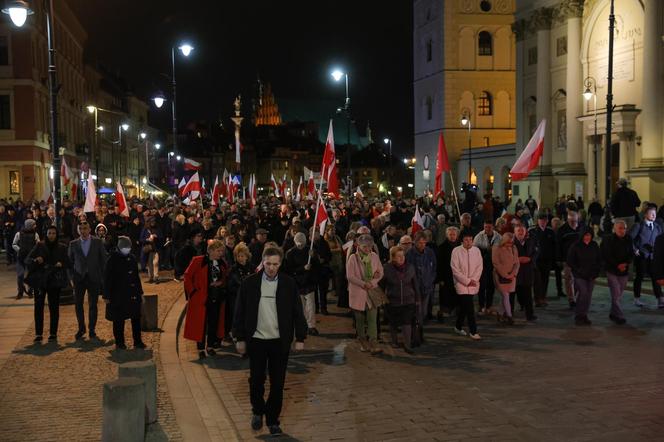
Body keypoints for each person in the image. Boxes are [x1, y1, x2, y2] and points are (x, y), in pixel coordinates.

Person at [232, 246, 307, 437]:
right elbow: (239, 312)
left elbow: (298, 312)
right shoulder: (249, 283)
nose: (272, 268)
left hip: (279, 341)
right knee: (256, 379)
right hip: (256, 340)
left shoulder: (288, 284)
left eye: (275, 264)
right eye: (268, 264)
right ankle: (257, 410)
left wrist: (300, 337)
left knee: (278, 382)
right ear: (262, 262)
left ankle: (273, 420)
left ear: (280, 264)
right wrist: (239, 338)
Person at [183, 239, 229, 358]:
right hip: (201, 298)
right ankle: (200, 348)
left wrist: (220, 283)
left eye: (221, 251)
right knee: (201, 324)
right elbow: (187, 276)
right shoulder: (198, 261)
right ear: (211, 250)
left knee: (213, 322)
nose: (221, 253)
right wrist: (192, 292)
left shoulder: (222, 263)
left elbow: (225, 278)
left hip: (216, 297)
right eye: (218, 251)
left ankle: (210, 346)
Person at [25, 226, 69, 342]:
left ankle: (53, 333)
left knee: (54, 307)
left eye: (54, 233)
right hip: (40, 280)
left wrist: (61, 264)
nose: (51, 235)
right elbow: (27, 259)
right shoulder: (39, 245)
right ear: (46, 234)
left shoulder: (62, 247)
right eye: (49, 233)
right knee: (38, 307)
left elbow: (68, 262)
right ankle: (38, 333)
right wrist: (36, 260)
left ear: (57, 234)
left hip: (54, 280)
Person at [103, 236, 146, 350]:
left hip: (132, 293)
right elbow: (107, 278)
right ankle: (120, 342)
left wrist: (140, 293)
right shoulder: (112, 259)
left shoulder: (132, 258)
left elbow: (136, 277)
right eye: (124, 247)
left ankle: (137, 341)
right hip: (118, 295)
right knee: (118, 319)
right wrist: (106, 295)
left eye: (128, 247)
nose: (127, 249)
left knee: (135, 317)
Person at [68, 221, 107, 340]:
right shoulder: (73, 244)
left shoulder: (97, 242)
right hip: (79, 278)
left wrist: (102, 277)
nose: (83, 231)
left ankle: (92, 329)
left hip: (93, 277)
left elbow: (103, 260)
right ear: (78, 230)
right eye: (81, 229)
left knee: (93, 305)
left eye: (85, 228)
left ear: (89, 229)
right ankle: (81, 328)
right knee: (78, 304)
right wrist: (70, 278)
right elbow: (69, 262)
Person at [346, 234, 384, 354]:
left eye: (369, 246)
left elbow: (380, 272)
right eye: (365, 246)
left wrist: (372, 282)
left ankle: (374, 343)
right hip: (358, 294)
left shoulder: (374, 256)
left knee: (373, 319)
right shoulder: (353, 258)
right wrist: (363, 284)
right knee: (360, 321)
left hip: (371, 292)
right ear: (358, 245)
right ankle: (363, 342)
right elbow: (350, 276)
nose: (367, 249)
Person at [381, 245, 419, 353]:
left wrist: (417, 299)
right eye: (398, 256)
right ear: (393, 257)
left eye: (403, 256)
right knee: (393, 323)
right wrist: (383, 299)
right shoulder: (386, 268)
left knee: (407, 322)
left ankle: (407, 345)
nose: (402, 258)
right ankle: (394, 341)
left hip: (408, 300)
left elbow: (415, 284)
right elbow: (382, 285)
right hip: (393, 301)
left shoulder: (410, 267)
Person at [629, 205, 664, 308]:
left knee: (655, 277)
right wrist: (635, 249)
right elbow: (629, 239)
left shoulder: (657, 227)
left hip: (654, 257)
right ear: (645, 214)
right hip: (642, 256)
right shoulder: (638, 225)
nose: (654, 215)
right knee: (639, 277)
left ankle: (660, 299)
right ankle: (637, 298)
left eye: (655, 213)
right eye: (651, 213)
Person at [284, 232, 319, 335]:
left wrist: (313, 257)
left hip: (309, 282)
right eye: (299, 243)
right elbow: (289, 270)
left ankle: (311, 325)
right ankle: (303, 325)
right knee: (301, 306)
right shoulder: (290, 253)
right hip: (297, 282)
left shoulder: (310, 251)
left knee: (311, 305)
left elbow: (317, 266)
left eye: (302, 243)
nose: (301, 245)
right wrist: (302, 268)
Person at [450, 230, 483, 340]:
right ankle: (473, 331)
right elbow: (455, 269)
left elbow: (479, 266)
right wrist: (467, 281)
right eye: (466, 240)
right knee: (470, 308)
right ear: (462, 240)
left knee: (465, 307)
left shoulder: (476, 250)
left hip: (473, 282)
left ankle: (458, 326)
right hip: (461, 284)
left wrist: (474, 280)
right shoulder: (456, 251)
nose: (468, 242)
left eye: (470, 240)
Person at [600, 220, 633, 324]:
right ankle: (619, 315)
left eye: (624, 228)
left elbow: (631, 253)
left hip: (624, 270)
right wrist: (617, 265)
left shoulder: (629, 238)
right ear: (614, 228)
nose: (623, 230)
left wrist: (626, 263)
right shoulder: (608, 239)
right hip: (612, 270)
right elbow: (606, 254)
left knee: (619, 294)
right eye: (620, 228)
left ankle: (613, 313)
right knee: (616, 293)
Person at [566, 228, 601, 325]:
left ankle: (584, 315)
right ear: (582, 236)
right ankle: (578, 315)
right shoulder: (576, 246)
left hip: (591, 275)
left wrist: (596, 272)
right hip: (579, 275)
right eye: (585, 235)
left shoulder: (594, 245)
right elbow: (570, 261)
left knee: (588, 296)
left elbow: (599, 259)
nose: (587, 237)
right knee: (583, 293)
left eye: (589, 235)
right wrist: (578, 270)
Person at [406, 231, 437, 326]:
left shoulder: (429, 252)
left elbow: (434, 268)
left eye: (424, 243)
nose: (422, 245)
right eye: (420, 242)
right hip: (414, 288)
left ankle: (419, 330)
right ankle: (414, 333)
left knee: (423, 312)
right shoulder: (410, 254)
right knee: (415, 311)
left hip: (427, 287)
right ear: (415, 242)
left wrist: (430, 280)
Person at [226, 242, 254, 344]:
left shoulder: (252, 268)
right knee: (238, 319)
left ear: (247, 256)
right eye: (238, 256)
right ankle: (239, 338)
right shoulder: (233, 270)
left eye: (242, 256)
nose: (240, 258)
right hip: (237, 299)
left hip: (250, 299)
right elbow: (230, 286)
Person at [473, 220, 501, 315]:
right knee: (482, 286)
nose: (487, 229)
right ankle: (481, 306)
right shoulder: (478, 236)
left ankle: (489, 306)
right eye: (485, 227)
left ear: (493, 227)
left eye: (489, 227)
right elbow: (474, 251)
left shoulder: (498, 237)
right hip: (482, 265)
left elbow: (500, 250)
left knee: (491, 286)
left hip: (493, 265)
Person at [492, 232, 520, 325]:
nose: (510, 244)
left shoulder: (514, 248)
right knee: (505, 295)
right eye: (508, 242)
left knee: (505, 296)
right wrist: (505, 274)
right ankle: (509, 316)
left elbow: (517, 263)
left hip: (511, 276)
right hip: (500, 276)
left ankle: (499, 313)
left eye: (512, 242)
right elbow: (496, 263)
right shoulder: (496, 248)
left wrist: (513, 274)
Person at [556, 211, 582, 309]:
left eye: (575, 220)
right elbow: (558, 245)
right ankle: (572, 299)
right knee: (569, 279)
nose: (573, 223)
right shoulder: (562, 230)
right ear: (568, 220)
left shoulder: (581, 228)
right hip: (567, 259)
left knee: (579, 279)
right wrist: (559, 258)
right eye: (571, 221)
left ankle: (577, 297)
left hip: (580, 259)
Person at [529, 214, 556, 306]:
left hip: (547, 259)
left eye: (544, 220)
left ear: (547, 221)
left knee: (545, 279)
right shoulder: (532, 231)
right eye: (541, 220)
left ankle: (543, 297)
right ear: (538, 221)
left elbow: (554, 245)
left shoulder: (550, 231)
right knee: (537, 280)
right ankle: (537, 298)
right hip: (536, 260)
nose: (543, 222)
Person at [514, 225, 538, 321]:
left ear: (525, 232)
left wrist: (530, 259)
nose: (520, 232)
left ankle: (530, 314)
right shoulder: (512, 243)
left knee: (528, 292)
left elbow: (536, 252)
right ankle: (518, 307)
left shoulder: (531, 241)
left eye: (522, 230)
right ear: (515, 232)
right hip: (516, 271)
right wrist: (517, 259)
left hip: (528, 270)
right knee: (519, 291)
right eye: (518, 230)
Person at [436, 226, 460, 321]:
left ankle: (457, 313)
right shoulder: (442, 247)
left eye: (454, 234)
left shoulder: (460, 246)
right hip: (446, 276)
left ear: (457, 235)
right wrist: (440, 279)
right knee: (445, 296)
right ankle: (442, 313)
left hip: (458, 276)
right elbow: (439, 264)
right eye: (450, 234)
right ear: (447, 235)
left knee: (457, 295)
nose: (452, 236)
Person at [13, 218, 39, 299]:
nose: (35, 226)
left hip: (30, 258)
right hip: (21, 257)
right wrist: (20, 250)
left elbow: (38, 245)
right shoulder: (18, 234)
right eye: (33, 224)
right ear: (29, 225)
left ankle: (30, 291)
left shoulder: (35, 234)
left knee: (31, 275)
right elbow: (14, 244)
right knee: (20, 275)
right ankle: (20, 291)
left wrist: (34, 253)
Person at [140, 217, 162, 284]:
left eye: (154, 221)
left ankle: (156, 277)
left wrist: (156, 236)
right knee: (150, 264)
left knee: (155, 263)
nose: (153, 223)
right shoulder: (145, 229)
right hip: (149, 248)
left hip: (156, 248)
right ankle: (151, 277)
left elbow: (161, 237)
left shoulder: (158, 228)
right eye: (152, 222)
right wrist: (147, 239)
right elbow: (141, 239)